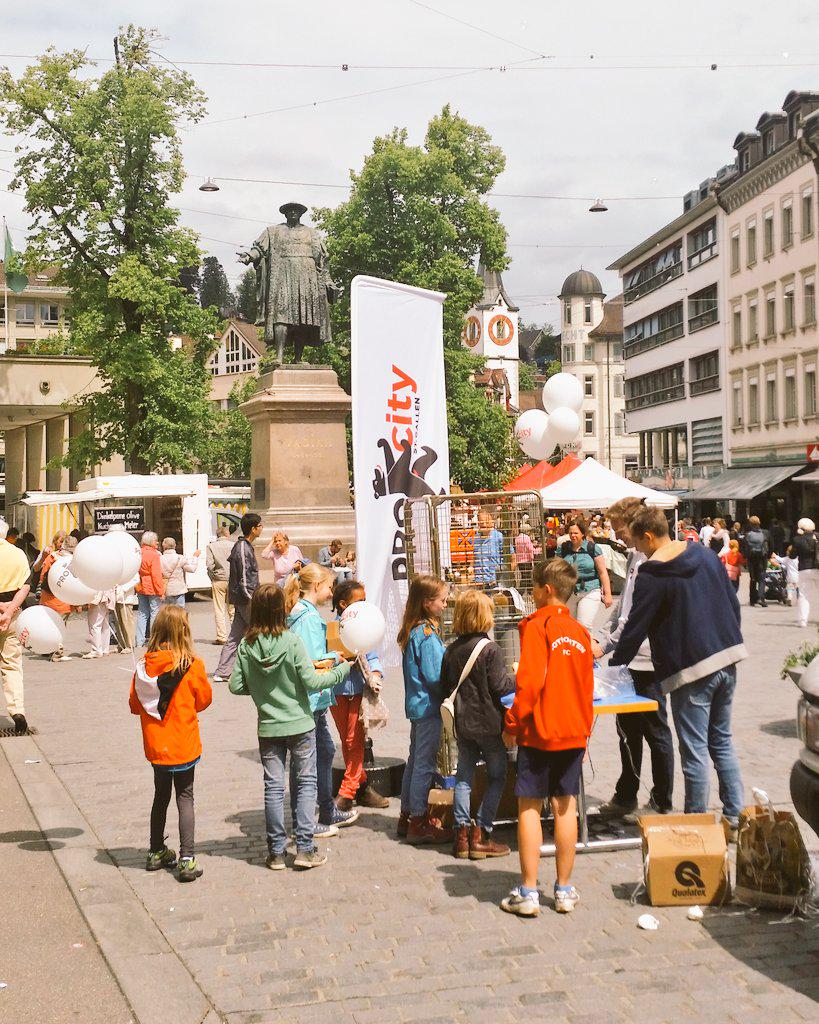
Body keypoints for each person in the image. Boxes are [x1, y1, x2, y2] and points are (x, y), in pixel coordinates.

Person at [610, 506, 746, 836]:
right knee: (721, 742)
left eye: (638, 544)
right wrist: (730, 640)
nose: (638, 552)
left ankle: (696, 828)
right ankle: (734, 818)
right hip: (727, 656)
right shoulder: (704, 554)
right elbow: (734, 603)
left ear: (647, 536)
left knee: (695, 749)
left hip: (691, 668)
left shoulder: (654, 574)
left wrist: (613, 668)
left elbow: (636, 627)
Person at [229, 584, 351, 870]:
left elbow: (235, 685)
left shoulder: (247, 645)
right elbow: (312, 682)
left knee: (273, 787)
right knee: (306, 782)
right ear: (279, 610)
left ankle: (275, 853)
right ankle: (305, 849)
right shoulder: (291, 641)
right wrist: (342, 670)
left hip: (269, 726)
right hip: (299, 723)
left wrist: (261, 690)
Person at [500, 558, 593, 917]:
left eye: (534, 588)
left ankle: (528, 890)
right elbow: (587, 688)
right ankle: (565, 889)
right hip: (573, 729)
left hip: (540, 730)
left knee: (530, 807)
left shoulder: (537, 626)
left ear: (546, 590)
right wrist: (585, 732)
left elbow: (530, 682)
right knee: (565, 807)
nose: (531, 593)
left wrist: (511, 723)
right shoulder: (581, 632)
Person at [593, 498, 674, 822]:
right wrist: (601, 634)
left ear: (637, 526)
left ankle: (662, 800)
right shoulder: (633, 558)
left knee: (656, 731)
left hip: (649, 660)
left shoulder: (651, 561)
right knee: (627, 732)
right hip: (629, 660)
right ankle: (626, 795)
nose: (618, 536)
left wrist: (605, 646)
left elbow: (635, 620)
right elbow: (623, 608)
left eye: (620, 530)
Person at [129, 605, 212, 883]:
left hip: (156, 745)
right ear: (184, 631)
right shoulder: (192, 665)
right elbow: (204, 700)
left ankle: (155, 851)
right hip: (183, 742)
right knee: (185, 797)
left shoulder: (143, 666)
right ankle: (187, 858)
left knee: (160, 797)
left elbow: (134, 704)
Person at [441, 589, 515, 860]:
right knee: (497, 776)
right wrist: (519, 676)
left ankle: (461, 835)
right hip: (489, 724)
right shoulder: (490, 649)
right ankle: (481, 832)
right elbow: (500, 686)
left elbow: (445, 687)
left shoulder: (451, 649)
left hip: (463, 725)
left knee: (463, 779)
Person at [284, 564, 356, 833]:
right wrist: (336, 659)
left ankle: (326, 809)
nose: (331, 591)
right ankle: (307, 819)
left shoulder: (304, 613)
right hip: (312, 696)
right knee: (308, 761)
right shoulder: (308, 618)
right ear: (316, 587)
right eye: (329, 586)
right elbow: (309, 661)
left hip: (315, 698)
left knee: (324, 751)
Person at [397, 574, 451, 844]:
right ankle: (418, 820)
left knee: (415, 761)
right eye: (442, 600)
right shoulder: (426, 635)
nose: (445, 603)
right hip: (429, 707)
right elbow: (434, 677)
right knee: (425, 764)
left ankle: (407, 814)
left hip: (417, 706)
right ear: (428, 603)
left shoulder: (415, 630)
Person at [330, 580, 390, 811]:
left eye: (365, 600)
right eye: (359, 601)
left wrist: (375, 674)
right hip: (336, 690)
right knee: (347, 740)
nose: (364, 605)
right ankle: (363, 786)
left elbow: (372, 655)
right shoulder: (333, 628)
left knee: (354, 740)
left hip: (357, 691)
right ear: (343, 604)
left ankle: (347, 792)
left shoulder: (365, 624)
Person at [213, 513, 262, 682]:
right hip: (246, 599)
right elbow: (244, 577)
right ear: (254, 528)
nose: (262, 528)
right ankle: (259, 670)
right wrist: (252, 598)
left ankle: (222, 671)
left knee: (235, 636)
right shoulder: (242, 547)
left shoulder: (245, 546)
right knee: (259, 633)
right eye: (260, 526)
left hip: (242, 598)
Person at [0, 520, 32, 734]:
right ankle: (17, 710)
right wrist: (10, 610)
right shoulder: (18, 553)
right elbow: (26, 585)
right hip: (12, 614)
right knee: (12, 664)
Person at [559, 516, 613, 630]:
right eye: (570, 533)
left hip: (590, 590)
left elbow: (603, 572)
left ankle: (588, 647)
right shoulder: (563, 549)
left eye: (576, 533)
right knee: (570, 627)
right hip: (569, 592)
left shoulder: (592, 548)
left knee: (584, 626)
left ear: (582, 533)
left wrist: (608, 594)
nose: (573, 536)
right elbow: (556, 570)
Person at [206, 527, 235, 644]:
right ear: (227, 534)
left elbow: (209, 565)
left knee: (219, 609)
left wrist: (212, 576)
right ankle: (235, 635)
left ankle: (222, 637)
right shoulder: (233, 545)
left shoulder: (211, 546)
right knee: (232, 609)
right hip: (232, 579)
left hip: (218, 580)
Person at [136, 531, 165, 646]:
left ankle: (139, 640)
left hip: (140, 585)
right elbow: (156, 575)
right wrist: (160, 591)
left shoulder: (139, 552)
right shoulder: (154, 555)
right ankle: (154, 640)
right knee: (155, 613)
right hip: (152, 586)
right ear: (150, 542)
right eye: (155, 540)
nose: (157, 542)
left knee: (142, 613)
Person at [791, 517, 819, 627]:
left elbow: (792, 555)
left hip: (804, 569)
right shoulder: (817, 536)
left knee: (803, 595)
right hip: (817, 568)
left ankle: (803, 620)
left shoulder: (797, 539)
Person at [160, 538, 200, 609]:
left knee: (168, 613)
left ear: (164, 546)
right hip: (179, 589)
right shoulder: (180, 558)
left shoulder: (160, 559)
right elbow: (192, 569)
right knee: (180, 612)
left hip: (166, 589)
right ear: (175, 545)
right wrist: (195, 557)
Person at [472, 509, 508, 587]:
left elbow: (510, 558)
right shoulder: (476, 538)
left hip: (495, 584)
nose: (484, 524)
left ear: (492, 521)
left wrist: (499, 577)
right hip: (479, 583)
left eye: (486, 522)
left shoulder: (498, 537)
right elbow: (474, 557)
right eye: (481, 522)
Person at [743, 515, 770, 608]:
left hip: (751, 558)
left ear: (750, 524)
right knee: (762, 578)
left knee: (753, 578)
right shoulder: (765, 533)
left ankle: (752, 599)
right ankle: (761, 598)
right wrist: (768, 556)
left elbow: (745, 548)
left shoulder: (748, 534)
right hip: (762, 558)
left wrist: (745, 559)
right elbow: (771, 545)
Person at [84, 586, 115, 658]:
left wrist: (91, 600)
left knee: (95, 625)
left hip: (98, 598)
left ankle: (96, 650)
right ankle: (104, 649)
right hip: (107, 597)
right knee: (105, 626)